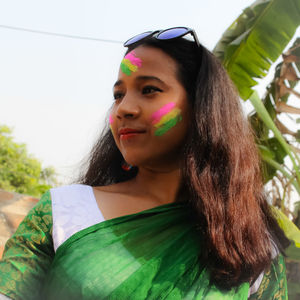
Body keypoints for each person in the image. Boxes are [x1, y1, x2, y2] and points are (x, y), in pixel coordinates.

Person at [0, 27, 290, 299]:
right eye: (118, 95)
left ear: (201, 107)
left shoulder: (252, 244)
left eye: (149, 89)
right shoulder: (63, 212)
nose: (124, 108)